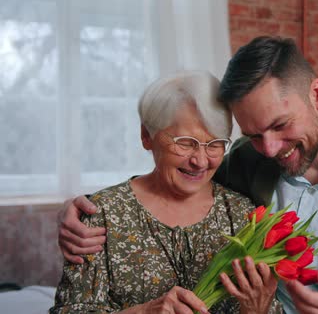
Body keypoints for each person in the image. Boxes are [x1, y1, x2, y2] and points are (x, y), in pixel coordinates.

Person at [58, 37, 318, 314]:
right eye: (251, 134)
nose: (270, 148)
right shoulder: (244, 163)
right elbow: (178, 179)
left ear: (317, 95)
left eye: (281, 125)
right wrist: (79, 210)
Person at [51, 71, 280, 314]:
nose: (201, 161)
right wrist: (145, 312)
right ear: (146, 136)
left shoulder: (243, 214)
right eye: (185, 142)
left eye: (215, 144)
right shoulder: (103, 213)